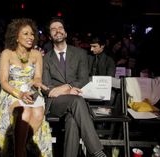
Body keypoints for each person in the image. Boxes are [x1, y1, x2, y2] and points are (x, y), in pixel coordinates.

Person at [0, 18, 52, 157]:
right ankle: (20, 152)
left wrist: (37, 82)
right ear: (16, 37)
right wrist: (20, 94)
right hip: (11, 91)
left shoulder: (36, 54)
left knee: (38, 113)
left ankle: (21, 145)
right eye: (26, 34)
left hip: (31, 90)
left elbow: (38, 77)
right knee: (25, 112)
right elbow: (4, 82)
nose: (30, 37)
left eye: (32, 34)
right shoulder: (7, 54)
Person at [42, 17, 107, 157]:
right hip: (56, 103)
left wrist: (68, 86)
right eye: (53, 29)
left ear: (65, 33)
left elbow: (83, 79)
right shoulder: (45, 59)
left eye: (60, 28)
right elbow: (47, 87)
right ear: (50, 36)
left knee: (72, 121)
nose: (57, 31)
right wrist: (66, 89)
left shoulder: (80, 54)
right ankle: (97, 151)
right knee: (76, 101)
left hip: (76, 99)